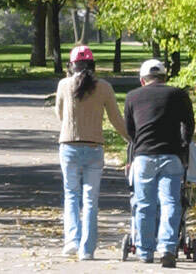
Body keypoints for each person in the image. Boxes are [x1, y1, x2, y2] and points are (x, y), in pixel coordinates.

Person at [55, 45, 129, 260]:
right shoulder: (104, 87)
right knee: (90, 200)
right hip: (94, 146)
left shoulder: (63, 85)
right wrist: (131, 141)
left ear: (71, 65)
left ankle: (71, 241)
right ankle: (87, 249)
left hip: (69, 145)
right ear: (92, 65)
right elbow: (116, 119)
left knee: (71, 194)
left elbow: (60, 115)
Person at [124, 59, 194, 267]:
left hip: (144, 155)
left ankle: (145, 251)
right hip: (171, 155)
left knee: (144, 204)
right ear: (165, 78)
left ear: (142, 80)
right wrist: (184, 144)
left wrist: (139, 143)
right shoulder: (178, 94)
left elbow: (130, 130)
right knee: (170, 202)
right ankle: (167, 248)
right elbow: (189, 124)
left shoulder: (132, 97)